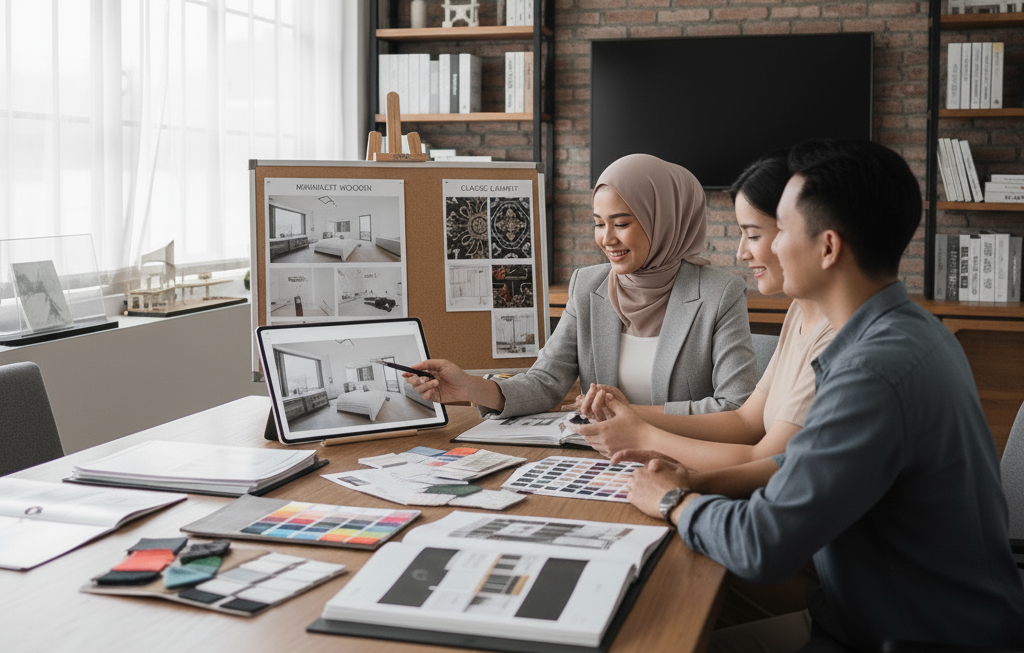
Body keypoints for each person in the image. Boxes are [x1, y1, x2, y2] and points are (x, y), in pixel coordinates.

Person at [620, 139, 1024, 651]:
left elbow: (762, 545)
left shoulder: (873, 371)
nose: (759, 247)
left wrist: (674, 500)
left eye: (779, 229)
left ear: (828, 247)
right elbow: (800, 466)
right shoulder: (910, 332)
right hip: (871, 613)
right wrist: (695, 479)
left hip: (910, 635)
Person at [406, 153, 758, 418]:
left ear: (664, 220)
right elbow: (545, 383)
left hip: (682, 459)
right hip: (600, 457)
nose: (607, 239)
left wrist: (633, 416)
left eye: (621, 223)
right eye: (598, 223)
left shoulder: (720, 293)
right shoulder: (588, 284)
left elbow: (735, 406)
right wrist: (470, 385)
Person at [573, 151, 834, 499]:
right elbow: (745, 422)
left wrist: (650, 448)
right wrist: (631, 416)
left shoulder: (838, 336)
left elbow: (767, 459)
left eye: (754, 235)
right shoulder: (800, 312)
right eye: (599, 222)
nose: (741, 253)